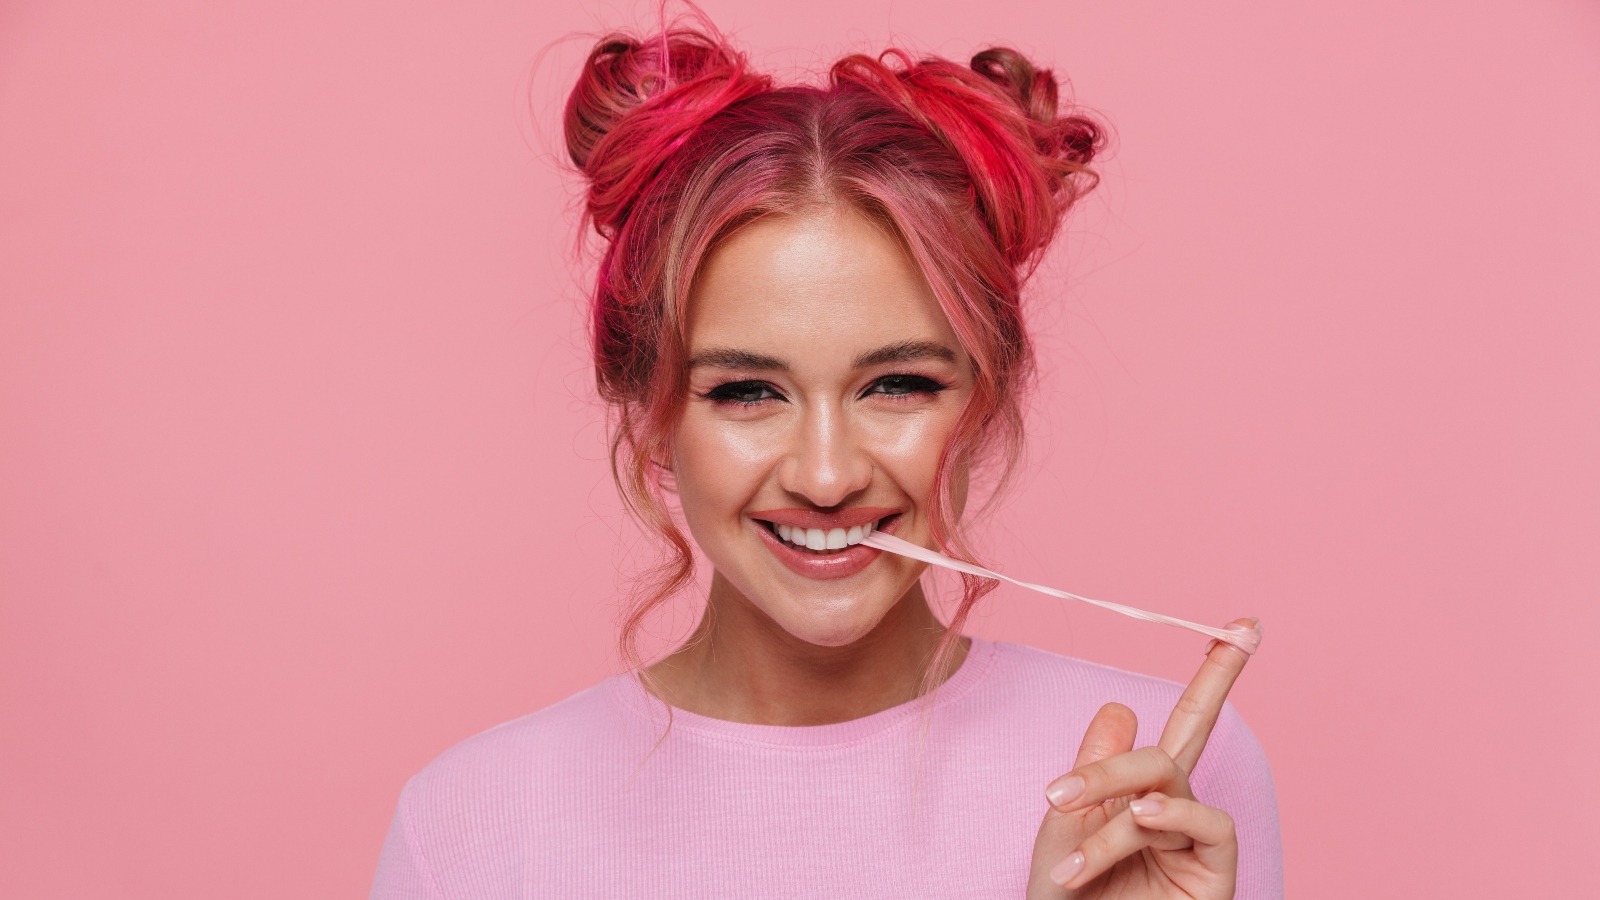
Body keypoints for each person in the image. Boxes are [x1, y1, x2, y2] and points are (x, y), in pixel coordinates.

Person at [370, 21, 1282, 900]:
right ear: (651, 414)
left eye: (897, 384)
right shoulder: (471, 822)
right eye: (747, 392)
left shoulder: (1164, 779)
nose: (826, 473)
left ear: (986, 390)